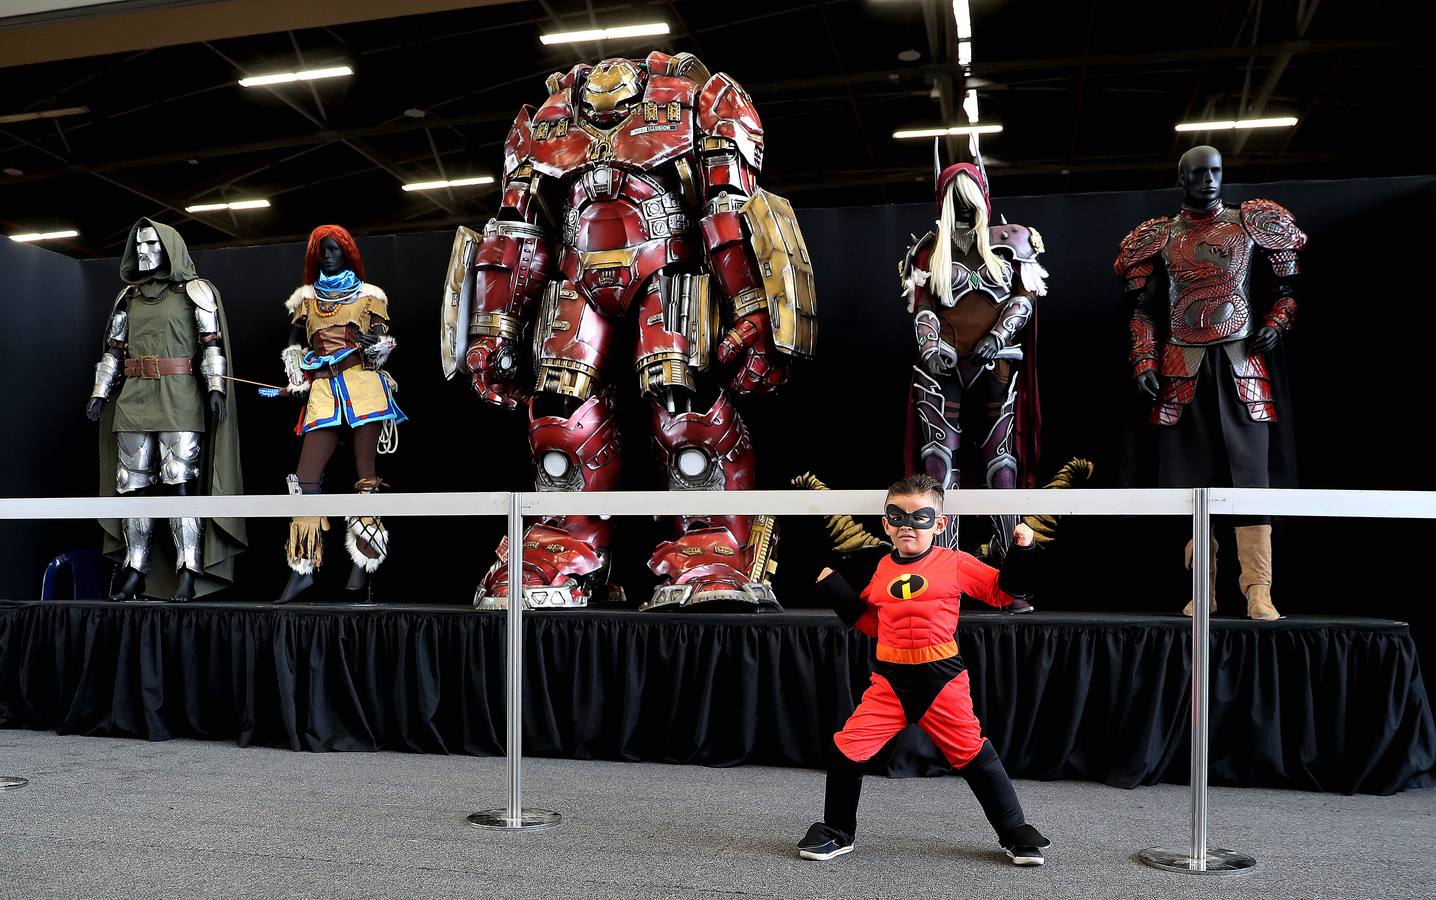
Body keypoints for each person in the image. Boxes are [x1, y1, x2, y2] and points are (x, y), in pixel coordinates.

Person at [797, 473, 1049, 866]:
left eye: (919, 516)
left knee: (973, 753)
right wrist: (837, 592)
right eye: (896, 517)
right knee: (848, 748)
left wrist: (1024, 549)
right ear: (885, 524)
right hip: (890, 681)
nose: (906, 526)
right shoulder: (881, 568)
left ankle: (1015, 832)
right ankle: (837, 831)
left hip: (941, 679)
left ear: (939, 523)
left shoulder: (956, 563)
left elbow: (1005, 593)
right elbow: (873, 624)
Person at [277, 225, 404, 602]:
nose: (328, 255)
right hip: (323, 391)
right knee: (305, 478)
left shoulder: (369, 297)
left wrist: (376, 345)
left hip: (363, 386)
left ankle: (363, 564)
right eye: (323, 250)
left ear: (347, 252)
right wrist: (296, 371)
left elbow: (385, 341)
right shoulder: (305, 299)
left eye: (334, 249)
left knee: (366, 477)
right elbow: (294, 345)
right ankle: (302, 567)